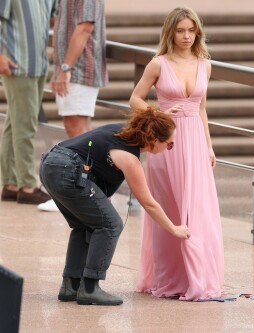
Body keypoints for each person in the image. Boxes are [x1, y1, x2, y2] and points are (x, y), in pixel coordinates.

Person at [39, 107, 190, 306]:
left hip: (50, 165)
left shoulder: (125, 132)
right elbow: (148, 203)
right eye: (169, 144)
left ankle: (71, 286)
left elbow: (148, 121)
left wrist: (163, 116)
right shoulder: (129, 158)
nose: (169, 148)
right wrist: (174, 228)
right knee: (111, 225)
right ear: (154, 139)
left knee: (84, 225)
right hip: (68, 170)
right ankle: (90, 288)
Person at [131, 7, 224, 301]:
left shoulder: (204, 64)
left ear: (198, 33)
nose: (186, 36)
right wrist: (156, 112)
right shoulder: (158, 64)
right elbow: (134, 98)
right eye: (181, 30)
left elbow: (202, 109)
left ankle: (197, 278)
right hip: (165, 143)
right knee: (169, 207)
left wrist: (209, 145)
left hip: (195, 141)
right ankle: (170, 278)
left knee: (197, 210)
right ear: (170, 31)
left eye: (191, 30)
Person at [38, 0, 107, 212]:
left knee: (77, 130)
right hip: (74, 70)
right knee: (79, 132)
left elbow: (85, 27)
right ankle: (86, 193)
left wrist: (65, 68)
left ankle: (80, 195)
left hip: (78, 70)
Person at [0, 0, 55, 205]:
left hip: (38, 64)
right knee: (25, 125)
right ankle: (27, 185)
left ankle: (11, 183)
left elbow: (53, 18)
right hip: (17, 64)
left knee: (14, 123)